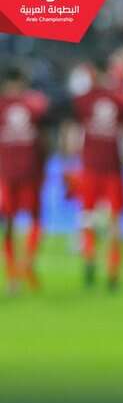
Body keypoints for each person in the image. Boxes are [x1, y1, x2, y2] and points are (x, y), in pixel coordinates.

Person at [66, 57, 123, 291]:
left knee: (87, 216)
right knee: (115, 222)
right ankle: (113, 271)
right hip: (113, 169)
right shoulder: (120, 100)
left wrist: (69, 161)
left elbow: (72, 133)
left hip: (90, 167)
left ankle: (90, 256)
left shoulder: (84, 99)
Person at [0, 67, 50, 294]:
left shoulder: (29, 105)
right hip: (17, 173)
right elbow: (45, 139)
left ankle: (20, 269)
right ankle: (19, 269)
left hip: (18, 173)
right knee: (24, 220)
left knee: (18, 221)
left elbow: (44, 138)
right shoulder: (34, 105)